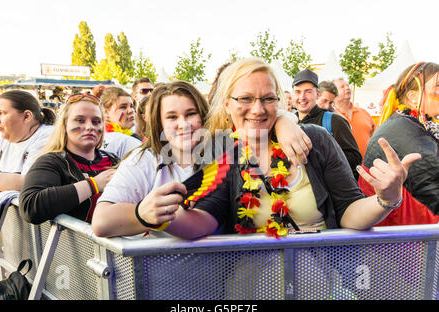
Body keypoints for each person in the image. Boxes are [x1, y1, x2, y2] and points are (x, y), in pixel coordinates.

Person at [93, 58, 419, 240]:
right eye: (246, 99)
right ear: (227, 103)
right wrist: (160, 218)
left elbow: (350, 213)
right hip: (252, 284)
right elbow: (207, 219)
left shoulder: (314, 140)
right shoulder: (222, 152)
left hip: (322, 274)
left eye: (268, 99)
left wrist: (385, 199)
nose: (258, 109)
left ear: (280, 101)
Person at [91, 78, 313, 238]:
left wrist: (285, 121)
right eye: (171, 117)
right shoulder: (146, 159)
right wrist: (142, 214)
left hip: (221, 282)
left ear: (204, 115)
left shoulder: (226, 149)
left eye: (191, 114)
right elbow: (101, 222)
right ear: (158, 123)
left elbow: (256, 119)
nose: (184, 124)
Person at [19, 93, 118, 224]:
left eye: (96, 121)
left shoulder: (113, 160)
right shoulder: (52, 161)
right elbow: (30, 207)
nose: (90, 127)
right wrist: (93, 185)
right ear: (65, 125)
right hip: (80, 244)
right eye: (80, 120)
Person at [359, 62, 439, 224]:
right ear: (413, 96)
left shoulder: (409, 123)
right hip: (406, 241)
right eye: (438, 85)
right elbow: (432, 195)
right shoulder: (407, 133)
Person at [292, 69, 362, 180]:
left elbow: (355, 158)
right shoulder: (289, 121)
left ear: (317, 94)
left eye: (308, 91)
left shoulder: (335, 121)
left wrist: (322, 162)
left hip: (328, 192)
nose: (302, 97)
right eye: (298, 92)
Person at [0, 90, 55, 194]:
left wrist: (0, 182)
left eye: (2, 113)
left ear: (27, 116)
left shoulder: (48, 137)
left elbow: (30, 183)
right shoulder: (1, 137)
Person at [333, 78, 375, 159]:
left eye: (347, 85)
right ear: (333, 93)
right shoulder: (331, 115)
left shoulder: (364, 112)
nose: (347, 88)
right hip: (343, 168)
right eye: (342, 87)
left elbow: (374, 136)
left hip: (367, 166)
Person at [99, 86, 143, 158]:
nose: (131, 110)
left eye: (131, 106)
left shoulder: (135, 136)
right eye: (123, 107)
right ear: (106, 112)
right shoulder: (99, 139)